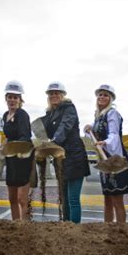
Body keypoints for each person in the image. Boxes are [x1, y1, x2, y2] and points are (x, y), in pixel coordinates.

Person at [41, 81, 90, 223]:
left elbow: (65, 126)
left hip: (74, 156)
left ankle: (74, 229)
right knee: (64, 197)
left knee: (73, 198)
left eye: (57, 93)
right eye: (51, 93)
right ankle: (65, 226)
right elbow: (45, 131)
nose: (54, 95)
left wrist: (54, 142)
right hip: (61, 158)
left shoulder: (69, 108)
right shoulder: (51, 113)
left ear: (62, 95)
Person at [85, 84, 128, 223]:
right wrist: (89, 129)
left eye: (105, 95)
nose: (102, 97)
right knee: (107, 200)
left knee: (117, 200)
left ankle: (121, 231)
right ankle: (108, 230)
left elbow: (114, 134)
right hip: (105, 162)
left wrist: (105, 142)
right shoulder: (99, 116)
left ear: (111, 98)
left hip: (117, 161)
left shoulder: (112, 114)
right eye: (100, 94)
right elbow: (95, 135)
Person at [0, 80, 34, 220]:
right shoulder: (5, 115)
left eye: (15, 97)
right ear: (6, 98)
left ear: (20, 99)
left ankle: (24, 227)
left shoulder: (22, 115)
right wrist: (1, 147)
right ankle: (15, 225)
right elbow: (8, 137)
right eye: (10, 97)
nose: (12, 100)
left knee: (21, 198)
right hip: (11, 157)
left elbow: (25, 136)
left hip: (23, 157)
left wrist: (12, 146)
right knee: (12, 197)